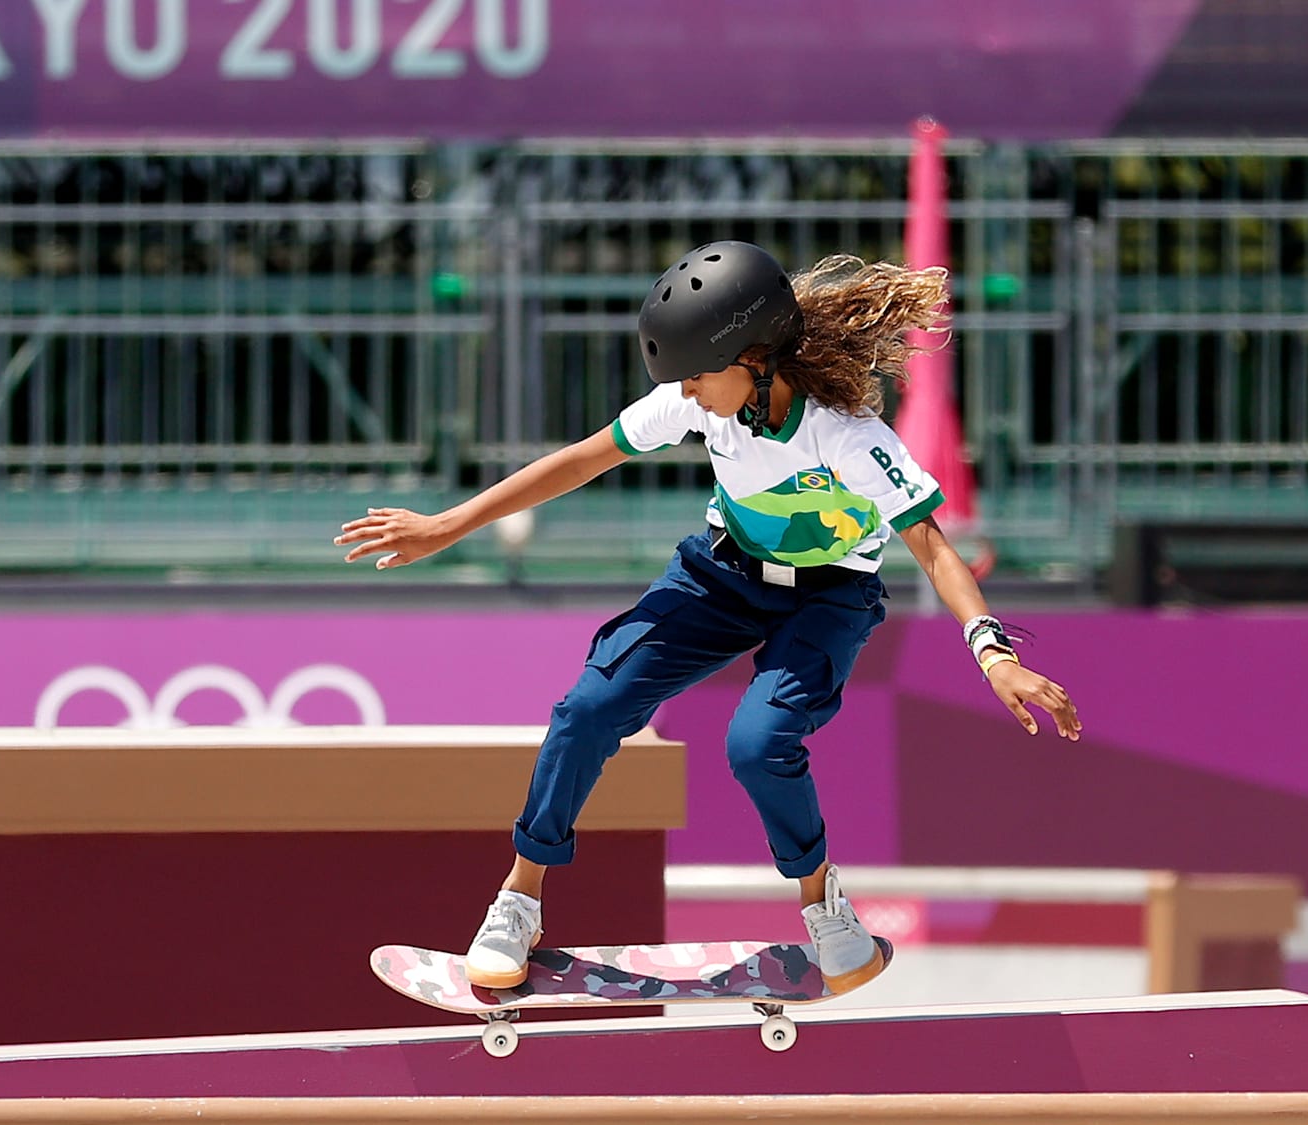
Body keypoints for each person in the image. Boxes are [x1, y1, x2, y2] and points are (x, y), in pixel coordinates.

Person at [333, 241, 1081, 993]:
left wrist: (994, 653)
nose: (687, 393)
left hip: (827, 598)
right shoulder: (696, 400)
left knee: (757, 744)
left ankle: (824, 906)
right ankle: (520, 896)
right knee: (587, 708)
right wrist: (446, 525)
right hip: (720, 574)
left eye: (697, 374)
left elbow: (933, 547)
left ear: (754, 359)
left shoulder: (848, 437)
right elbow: (582, 459)